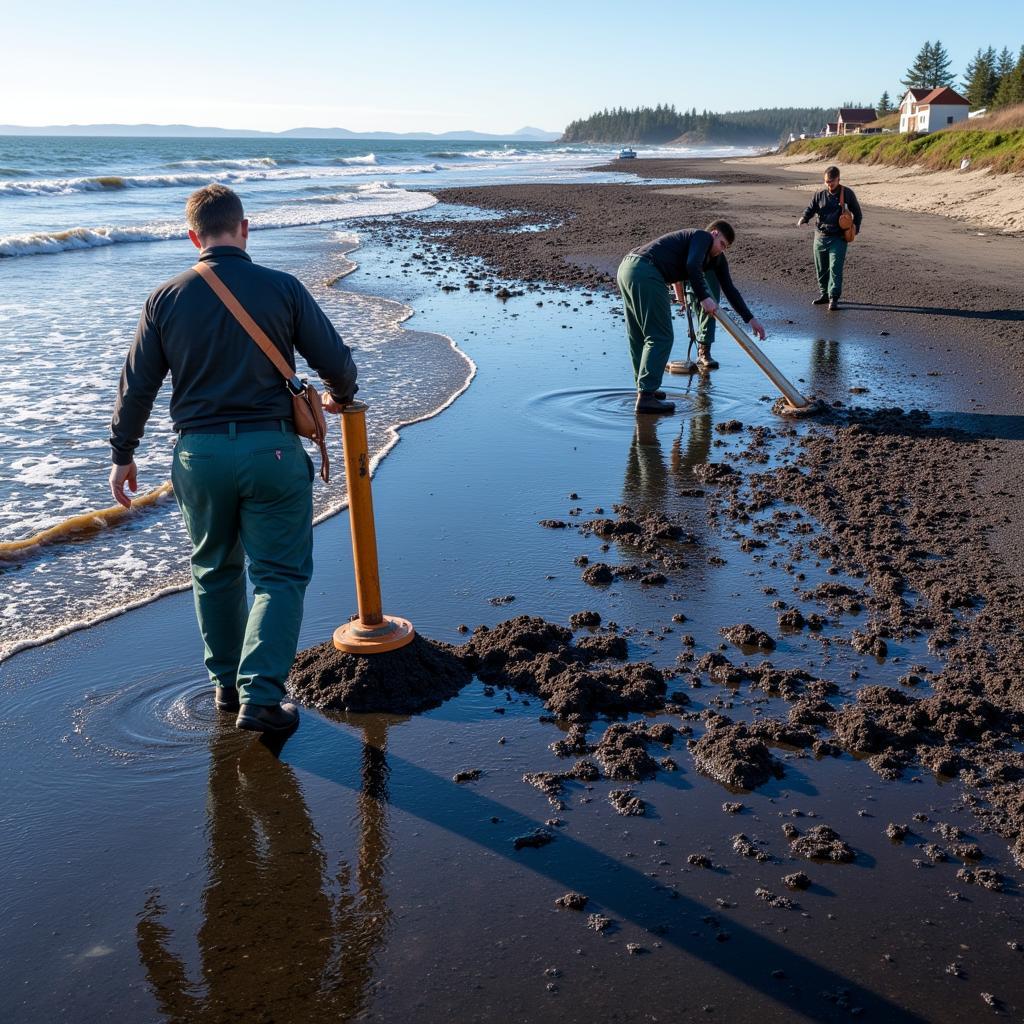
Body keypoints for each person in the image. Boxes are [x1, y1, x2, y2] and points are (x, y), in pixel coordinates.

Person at [108, 184, 357, 735]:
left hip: (199, 455)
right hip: (271, 451)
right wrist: (341, 394)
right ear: (245, 229)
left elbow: (137, 386)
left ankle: (225, 687)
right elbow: (334, 359)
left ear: (193, 236)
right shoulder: (282, 288)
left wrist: (123, 453)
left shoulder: (165, 298)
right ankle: (261, 699)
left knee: (214, 569)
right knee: (279, 575)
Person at [617, 221, 767, 414]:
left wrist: (750, 319)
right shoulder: (702, 237)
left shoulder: (715, 258)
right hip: (646, 271)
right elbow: (691, 265)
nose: (722, 250)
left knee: (639, 336)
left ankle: (646, 390)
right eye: (722, 244)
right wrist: (704, 297)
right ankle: (646, 396)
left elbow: (730, 289)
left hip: (627, 267)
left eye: (726, 248)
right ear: (714, 234)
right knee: (660, 337)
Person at [796, 165, 863, 310]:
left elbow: (858, 213)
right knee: (821, 268)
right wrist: (804, 218)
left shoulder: (847, 194)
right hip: (820, 237)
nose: (829, 184)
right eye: (826, 181)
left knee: (835, 268)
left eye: (832, 181)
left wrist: (855, 228)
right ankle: (824, 294)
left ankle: (834, 297)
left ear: (838, 179)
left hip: (838, 238)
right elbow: (811, 209)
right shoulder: (819, 195)